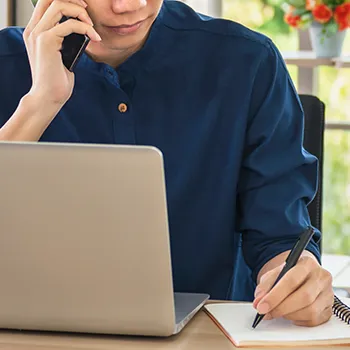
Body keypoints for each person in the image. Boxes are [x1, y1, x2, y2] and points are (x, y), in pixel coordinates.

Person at [0, 0, 334, 327]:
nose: (128, 6)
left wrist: (298, 280)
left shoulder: (248, 61)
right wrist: (41, 102)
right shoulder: (6, 63)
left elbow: (278, 238)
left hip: (207, 337)